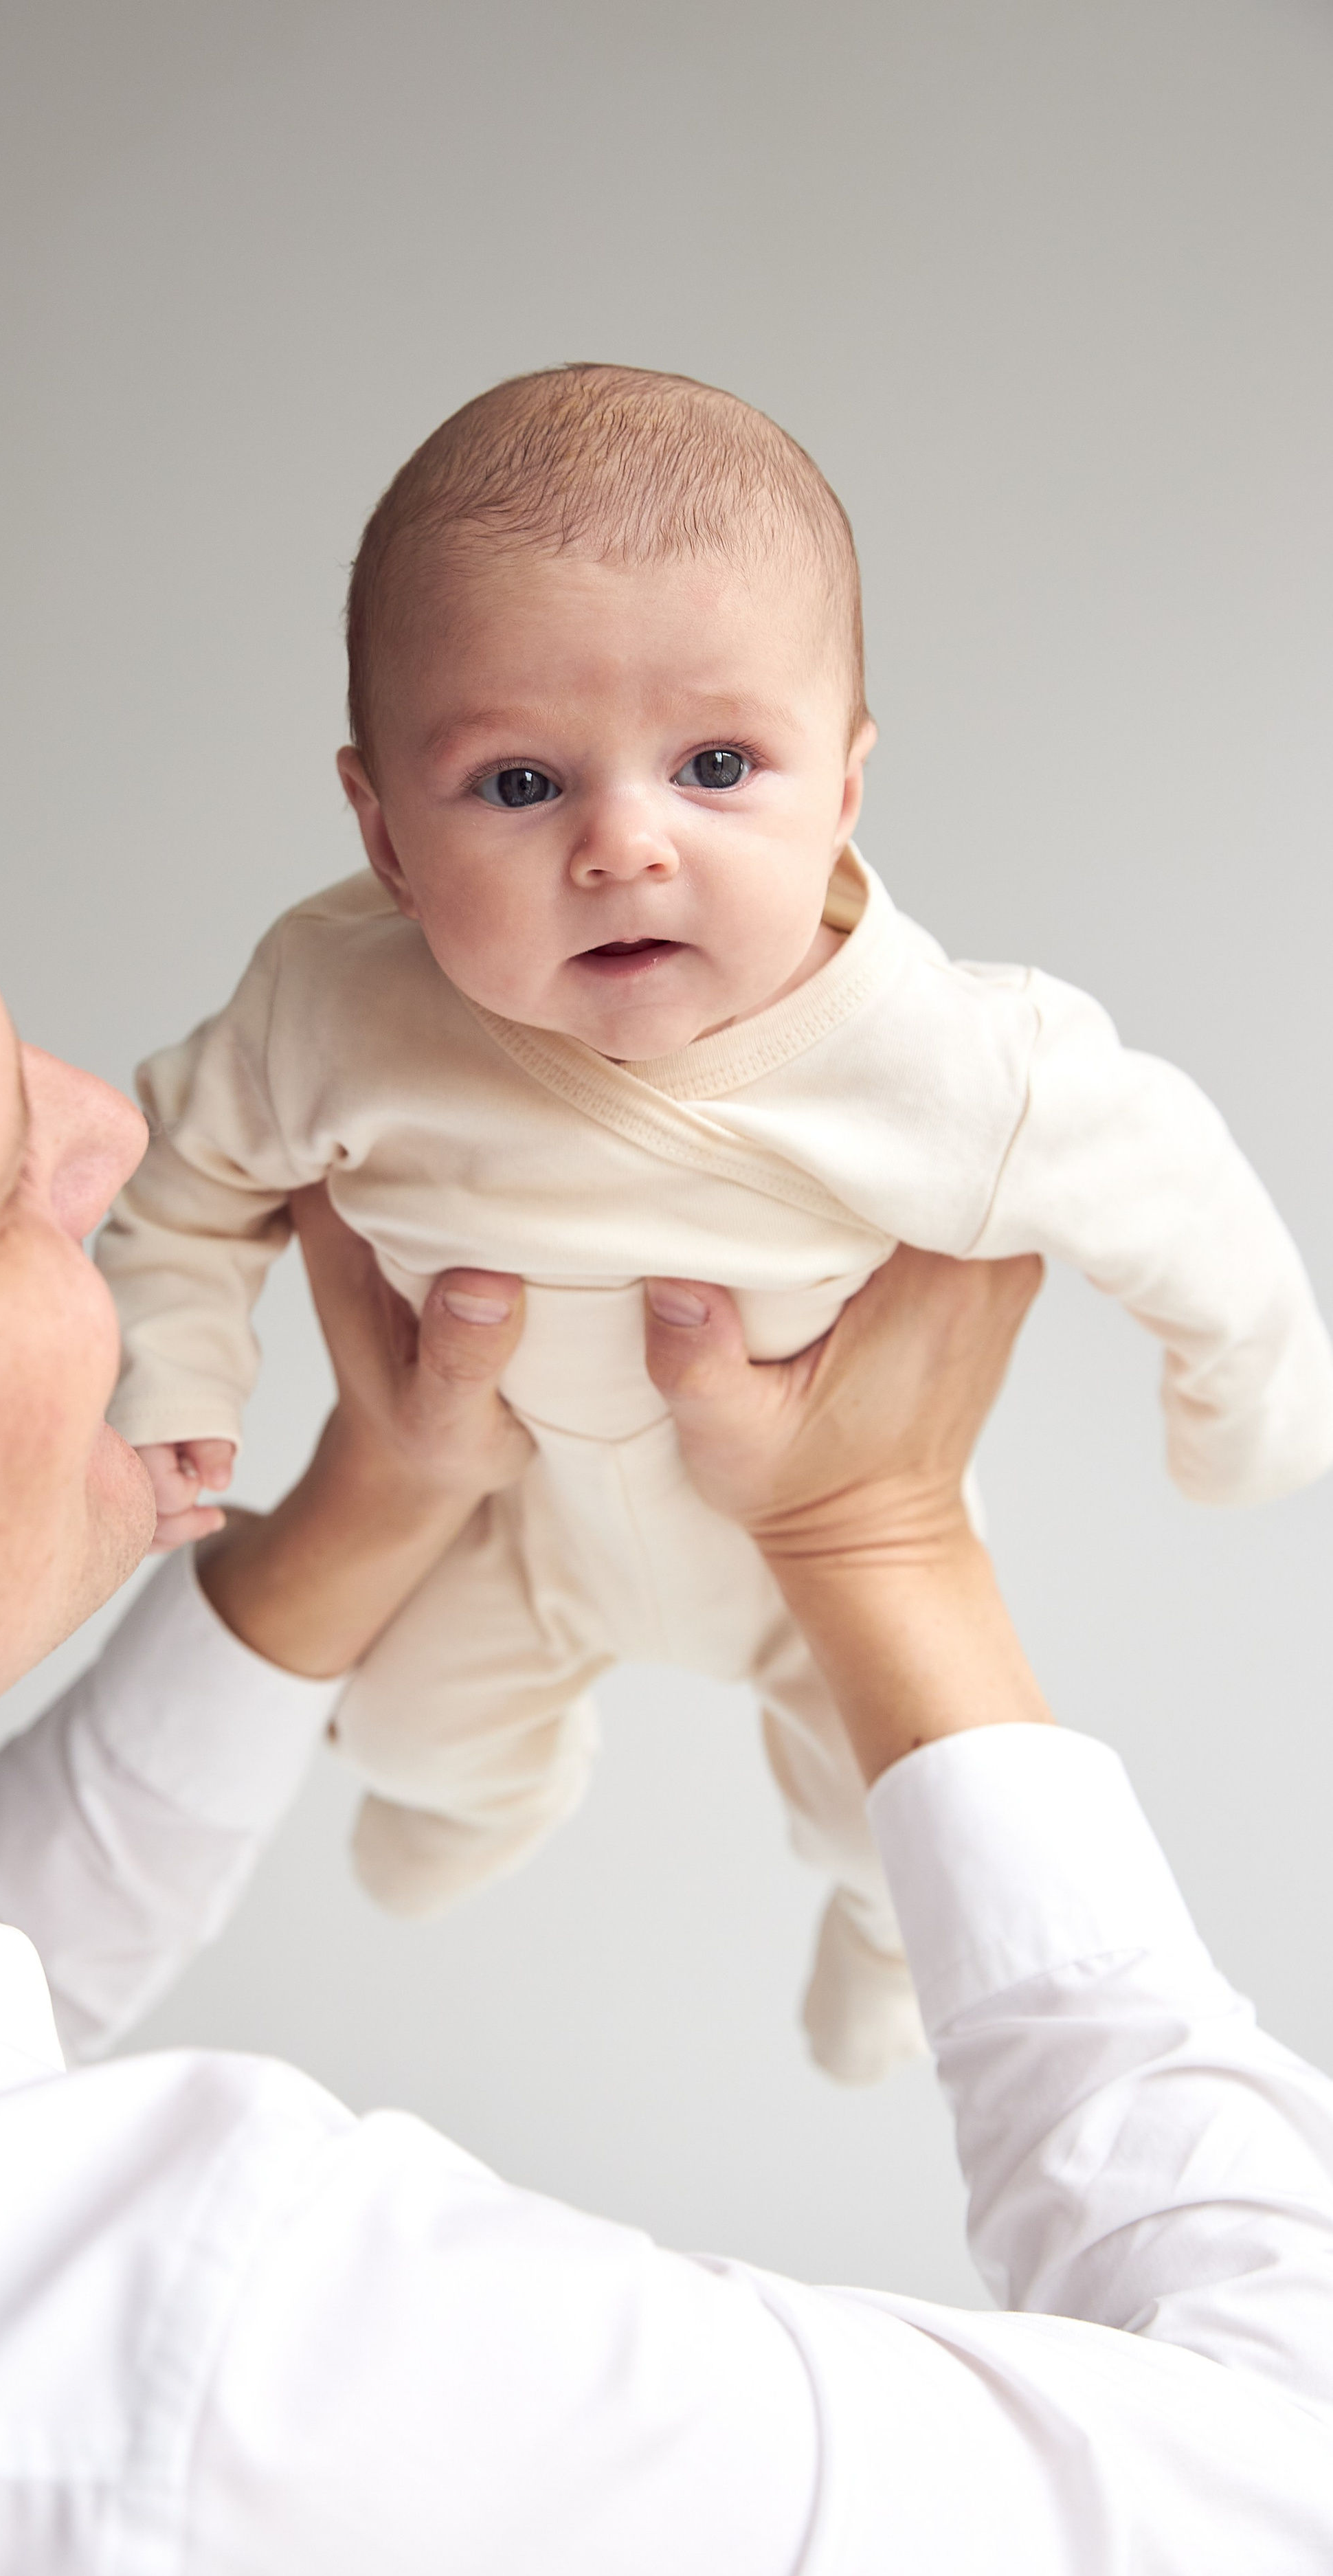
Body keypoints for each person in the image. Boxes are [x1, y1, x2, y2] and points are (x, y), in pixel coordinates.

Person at [0, 665, 1330, 2576]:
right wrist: (882, 1534)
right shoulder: (246, 2374)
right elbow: (1284, 2496)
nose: (103, 1129)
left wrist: (376, 1498)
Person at [98, 363, 1333, 2087]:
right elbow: (177, 1176)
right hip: (508, 1518)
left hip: (807, 1548)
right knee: (401, 1719)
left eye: (716, 764)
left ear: (840, 788)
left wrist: (1244, 1406)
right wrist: (174, 1377)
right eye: (518, 785)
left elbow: (1175, 1194)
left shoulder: (947, 1058)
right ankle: (488, 1800)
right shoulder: (334, 1011)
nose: (622, 844)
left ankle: (882, 1945)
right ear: (379, 829)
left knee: (902, 1810)